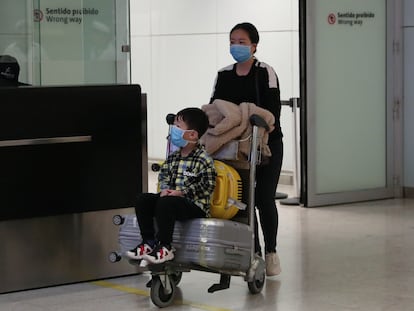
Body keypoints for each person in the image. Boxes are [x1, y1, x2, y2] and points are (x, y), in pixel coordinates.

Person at [209, 22, 283, 276]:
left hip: (266, 146)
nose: (235, 46)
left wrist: (252, 119)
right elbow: (215, 109)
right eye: (232, 41)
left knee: (263, 199)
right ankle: (254, 253)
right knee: (242, 202)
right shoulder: (224, 74)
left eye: (241, 42)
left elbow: (272, 112)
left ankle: (271, 252)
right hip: (234, 149)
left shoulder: (265, 72)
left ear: (254, 45)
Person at [126, 107, 217, 264]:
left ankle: (165, 246)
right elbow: (163, 176)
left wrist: (181, 192)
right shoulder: (173, 157)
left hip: (194, 205)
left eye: (178, 127)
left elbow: (207, 186)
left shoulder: (203, 159)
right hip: (171, 200)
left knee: (167, 202)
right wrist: (164, 189)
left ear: (193, 134)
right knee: (143, 199)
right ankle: (148, 242)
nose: (174, 130)